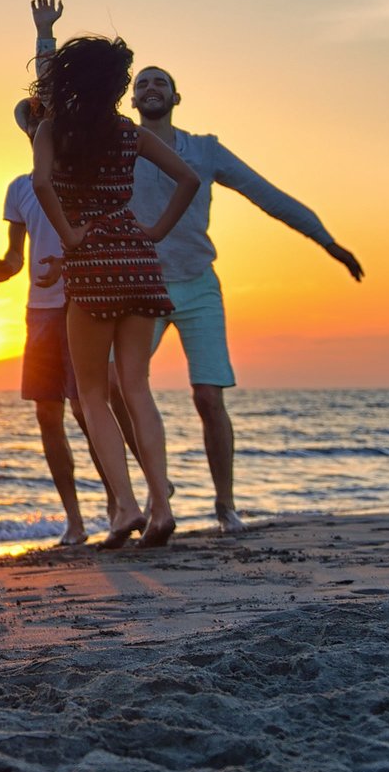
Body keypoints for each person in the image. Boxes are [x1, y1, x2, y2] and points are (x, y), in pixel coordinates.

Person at [125, 63, 363, 534]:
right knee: (119, 388)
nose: (151, 88)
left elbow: (265, 194)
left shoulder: (206, 151)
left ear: (176, 98)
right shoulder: (121, 145)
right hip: (141, 284)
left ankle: (225, 506)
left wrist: (326, 240)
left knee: (209, 398)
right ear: (131, 101)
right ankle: (160, 489)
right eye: (141, 83)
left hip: (198, 286)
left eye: (161, 82)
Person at [31, 35, 201, 548]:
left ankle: (125, 506)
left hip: (93, 264)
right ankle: (162, 506)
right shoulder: (130, 134)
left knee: (92, 394)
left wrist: (69, 234)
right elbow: (188, 179)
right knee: (137, 388)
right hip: (139, 259)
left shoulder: (53, 130)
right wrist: (155, 232)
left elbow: (41, 186)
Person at [0, 0, 92, 545]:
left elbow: (51, 95)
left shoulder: (73, 169)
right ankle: (75, 521)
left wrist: (44, 35)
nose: (36, 124)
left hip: (82, 302)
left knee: (86, 408)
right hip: (39, 311)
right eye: (29, 121)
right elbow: (15, 254)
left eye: (41, 118)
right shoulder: (18, 189)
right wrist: (4, 268)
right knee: (49, 416)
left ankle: (129, 502)